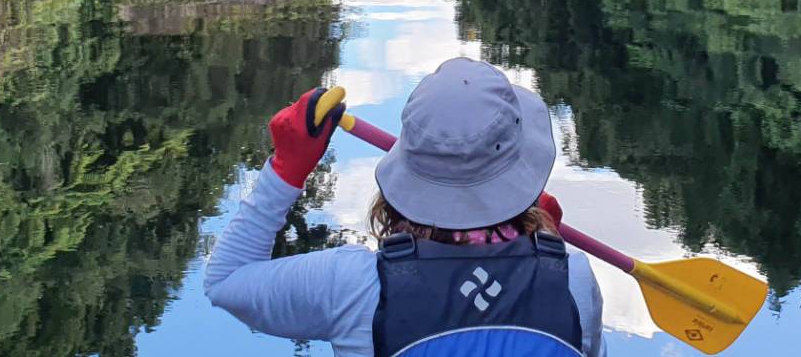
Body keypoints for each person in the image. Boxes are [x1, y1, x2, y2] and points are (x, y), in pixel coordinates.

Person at [206, 57, 606, 356]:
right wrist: (545, 243)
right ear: (520, 169)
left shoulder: (352, 286)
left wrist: (285, 170)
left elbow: (225, 281)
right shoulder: (574, 281)